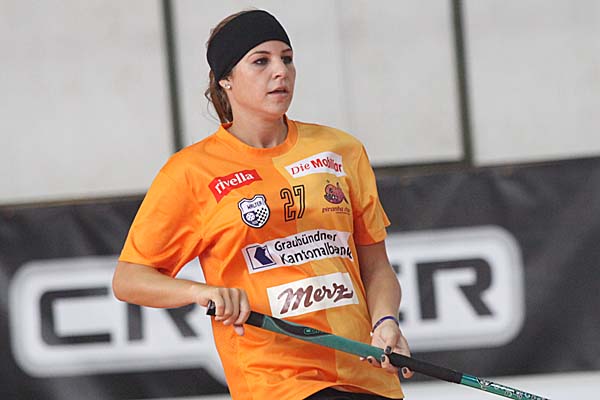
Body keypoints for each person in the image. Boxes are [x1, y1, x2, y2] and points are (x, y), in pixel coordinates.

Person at [112, 9, 413, 400]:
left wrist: (387, 321)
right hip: (276, 381)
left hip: (365, 374)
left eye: (287, 59)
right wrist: (200, 292)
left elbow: (376, 266)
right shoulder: (191, 172)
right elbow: (129, 278)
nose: (280, 71)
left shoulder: (341, 149)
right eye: (261, 61)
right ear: (225, 79)